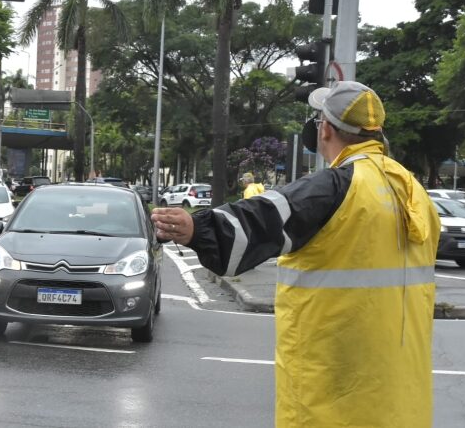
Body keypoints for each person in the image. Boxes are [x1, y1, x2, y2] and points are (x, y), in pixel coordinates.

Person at [152, 81, 440, 427]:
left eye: (319, 121)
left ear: (327, 129)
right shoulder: (413, 192)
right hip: (401, 398)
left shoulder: (336, 187)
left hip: (334, 394)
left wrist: (197, 230)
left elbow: (262, 221)